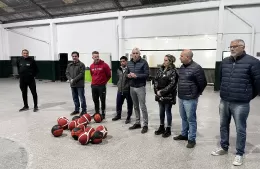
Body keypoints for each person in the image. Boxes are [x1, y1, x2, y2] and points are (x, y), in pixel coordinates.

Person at [211, 39, 260, 166]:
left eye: (235, 46)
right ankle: (224, 147)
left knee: (240, 128)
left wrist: (247, 96)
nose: (232, 49)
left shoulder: (253, 62)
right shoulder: (225, 61)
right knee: (223, 125)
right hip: (225, 100)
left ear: (243, 47)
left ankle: (239, 153)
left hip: (241, 103)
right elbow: (220, 78)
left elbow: (258, 83)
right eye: (230, 46)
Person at [173, 49, 207, 148]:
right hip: (181, 97)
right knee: (183, 118)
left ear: (188, 57)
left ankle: (191, 139)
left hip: (190, 98)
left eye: (181, 56)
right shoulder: (182, 67)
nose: (180, 57)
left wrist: (196, 94)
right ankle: (184, 134)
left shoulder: (197, 68)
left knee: (191, 119)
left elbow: (203, 83)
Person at [154, 54, 178, 138]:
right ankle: (161, 127)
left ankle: (168, 129)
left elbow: (172, 84)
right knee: (161, 111)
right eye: (164, 60)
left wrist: (162, 92)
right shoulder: (160, 69)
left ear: (170, 61)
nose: (164, 62)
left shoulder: (173, 71)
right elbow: (156, 80)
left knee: (168, 111)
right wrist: (157, 91)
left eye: (166, 60)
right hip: (159, 94)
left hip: (168, 95)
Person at [127, 48, 150, 134]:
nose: (135, 55)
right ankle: (137, 122)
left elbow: (147, 74)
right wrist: (128, 75)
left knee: (142, 106)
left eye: (137, 53)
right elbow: (127, 73)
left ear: (139, 54)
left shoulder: (143, 62)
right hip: (132, 87)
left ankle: (145, 125)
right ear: (131, 54)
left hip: (140, 87)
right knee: (135, 106)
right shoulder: (129, 63)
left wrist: (137, 76)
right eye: (134, 53)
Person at [90, 51, 111, 119]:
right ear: (92, 57)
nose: (97, 58)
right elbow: (91, 74)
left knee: (102, 100)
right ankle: (97, 112)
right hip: (94, 86)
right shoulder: (91, 66)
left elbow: (109, 75)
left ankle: (103, 113)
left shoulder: (104, 65)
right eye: (95, 57)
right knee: (95, 100)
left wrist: (104, 82)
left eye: (97, 56)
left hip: (101, 86)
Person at [112, 56, 133, 124]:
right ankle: (118, 115)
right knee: (118, 103)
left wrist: (129, 85)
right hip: (120, 90)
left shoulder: (130, 69)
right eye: (121, 61)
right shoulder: (119, 69)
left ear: (126, 61)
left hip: (128, 90)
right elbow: (119, 78)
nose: (122, 63)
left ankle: (128, 117)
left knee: (129, 104)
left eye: (123, 61)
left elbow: (132, 79)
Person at [65, 51, 87, 116]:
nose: (74, 57)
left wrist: (73, 80)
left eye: (75, 56)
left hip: (80, 85)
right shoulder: (69, 65)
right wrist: (70, 79)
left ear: (78, 57)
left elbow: (81, 74)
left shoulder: (81, 65)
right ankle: (76, 110)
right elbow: (67, 73)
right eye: (73, 56)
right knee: (75, 98)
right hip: (72, 85)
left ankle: (84, 110)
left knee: (82, 98)